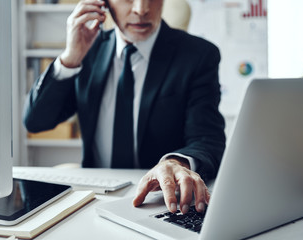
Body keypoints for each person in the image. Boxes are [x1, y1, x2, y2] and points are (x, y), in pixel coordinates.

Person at [23, 0, 226, 215]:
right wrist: (71, 59)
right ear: (104, 3)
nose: (141, 9)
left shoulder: (199, 55)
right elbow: (36, 122)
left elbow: (207, 139)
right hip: (95, 198)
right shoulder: (87, 49)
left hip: (162, 200)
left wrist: (176, 163)